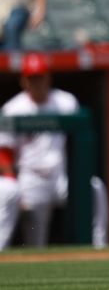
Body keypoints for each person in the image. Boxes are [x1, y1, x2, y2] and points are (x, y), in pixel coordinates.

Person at [0, 53, 79, 246]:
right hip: (30, 179)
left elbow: (80, 141)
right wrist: (16, 187)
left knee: (94, 189)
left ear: (48, 78)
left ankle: (99, 249)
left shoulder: (66, 102)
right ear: (23, 81)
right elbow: (4, 153)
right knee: (37, 242)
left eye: (40, 77)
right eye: (32, 78)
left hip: (60, 177)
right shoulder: (13, 109)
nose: (37, 82)